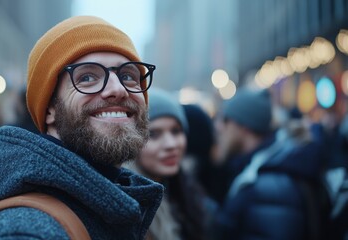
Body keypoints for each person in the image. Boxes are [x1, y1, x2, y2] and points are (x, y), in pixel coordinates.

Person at [0, 16, 164, 239]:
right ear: (50, 109)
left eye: (128, 76)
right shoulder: (25, 232)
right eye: (87, 77)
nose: (118, 89)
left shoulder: (118, 204)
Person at [210, 88, 325, 240]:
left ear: (244, 128)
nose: (219, 127)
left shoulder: (271, 186)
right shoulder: (258, 169)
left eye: (225, 120)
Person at [125, 88, 209, 240]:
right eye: (153, 134)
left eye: (176, 131)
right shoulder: (124, 209)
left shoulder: (189, 195)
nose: (171, 144)